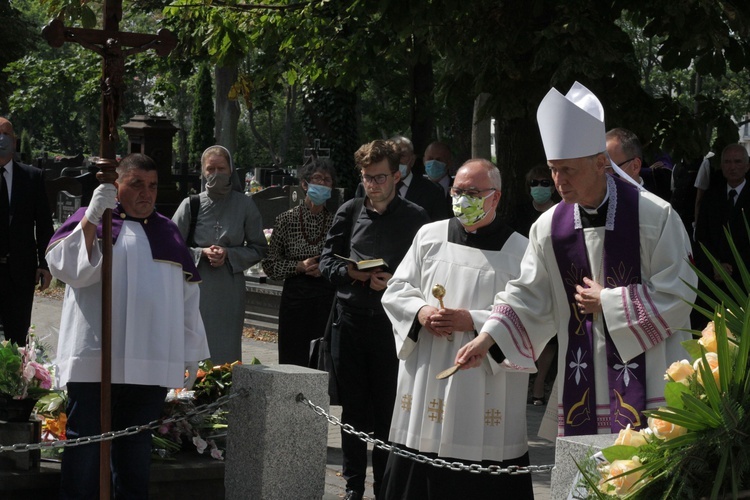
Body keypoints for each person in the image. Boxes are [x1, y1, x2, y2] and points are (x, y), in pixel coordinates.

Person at [456, 81, 697, 438]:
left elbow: (680, 289)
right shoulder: (549, 226)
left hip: (651, 377)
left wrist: (609, 301)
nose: (557, 181)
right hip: (582, 378)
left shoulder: (654, 216)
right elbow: (527, 294)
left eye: (568, 170)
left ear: (601, 163)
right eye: (553, 169)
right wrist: (487, 338)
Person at [46, 153, 210, 498]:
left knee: (134, 449)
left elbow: (187, 301)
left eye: (151, 186)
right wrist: (91, 217)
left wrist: (190, 352)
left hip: (148, 361)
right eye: (136, 184)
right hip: (95, 358)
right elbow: (66, 268)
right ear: (114, 185)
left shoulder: (167, 232)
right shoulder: (93, 221)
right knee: (86, 445)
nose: (146, 193)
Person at [380, 159, 533, 499]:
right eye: (458, 191)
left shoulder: (521, 251)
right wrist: (420, 313)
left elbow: (531, 314)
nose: (463, 199)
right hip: (429, 370)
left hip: (483, 378)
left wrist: (475, 321)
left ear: (495, 197)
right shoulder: (429, 236)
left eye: (472, 193)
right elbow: (397, 289)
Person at [319, 139, 430, 500]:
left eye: (381, 177)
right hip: (350, 322)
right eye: (367, 177)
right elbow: (327, 262)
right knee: (352, 410)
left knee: (387, 412)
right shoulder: (349, 211)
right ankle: (353, 485)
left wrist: (394, 282)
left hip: (391, 327)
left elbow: (428, 273)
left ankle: (385, 487)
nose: (373, 184)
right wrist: (355, 275)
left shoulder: (416, 218)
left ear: (397, 176)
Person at [172, 145, 267, 366]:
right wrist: (199, 253)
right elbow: (170, 247)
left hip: (228, 288)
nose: (216, 174)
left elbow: (259, 247)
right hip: (195, 286)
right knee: (193, 344)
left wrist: (229, 254)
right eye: (210, 169)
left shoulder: (245, 205)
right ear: (203, 172)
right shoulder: (190, 205)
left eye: (221, 168)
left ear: (231, 170)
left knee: (225, 348)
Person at [261, 158, 337, 366]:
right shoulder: (286, 220)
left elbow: (343, 262)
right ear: (304, 184)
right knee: (293, 357)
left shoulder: (337, 222)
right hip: (295, 299)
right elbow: (270, 265)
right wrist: (298, 266)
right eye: (317, 179)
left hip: (325, 298)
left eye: (327, 181)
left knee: (322, 358)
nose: (322, 185)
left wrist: (324, 268)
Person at [507, 164, 560, 406]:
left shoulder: (562, 212)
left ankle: (538, 388)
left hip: (554, 276)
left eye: (544, 183)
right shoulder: (517, 212)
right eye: (534, 184)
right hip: (522, 274)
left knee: (550, 336)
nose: (539, 188)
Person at [0, 117, 54, 344]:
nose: (1, 139)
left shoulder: (32, 177)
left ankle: (18, 380)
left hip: (20, 272)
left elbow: (43, 224)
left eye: (6, 134)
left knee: (17, 341)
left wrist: (45, 263)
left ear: (14, 140)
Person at [693, 144, 750, 329]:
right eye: (727, 162)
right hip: (715, 282)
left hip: (745, 285)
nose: (732, 166)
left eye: (737, 161)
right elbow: (701, 237)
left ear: (747, 166)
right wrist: (714, 265)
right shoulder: (711, 197)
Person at [605, 127, 671, 201]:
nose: (602, 175)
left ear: (635, 166)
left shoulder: (658, 209)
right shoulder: (595, 205)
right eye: (598, 167)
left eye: (609, 168)